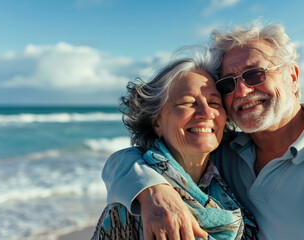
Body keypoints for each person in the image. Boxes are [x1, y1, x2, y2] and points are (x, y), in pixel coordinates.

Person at [102, 23, 304, 240]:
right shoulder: (227, 152)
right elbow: (128, 160)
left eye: (254, 74)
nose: (242, 91)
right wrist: (153, 191)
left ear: (293, 76)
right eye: (228, 83)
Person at [92, 52, 257, 239]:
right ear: (156, 122)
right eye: (188, 103)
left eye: (214, 102)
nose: (206, 112)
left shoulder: (233, 174)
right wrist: (151, 192)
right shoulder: (138, 210)